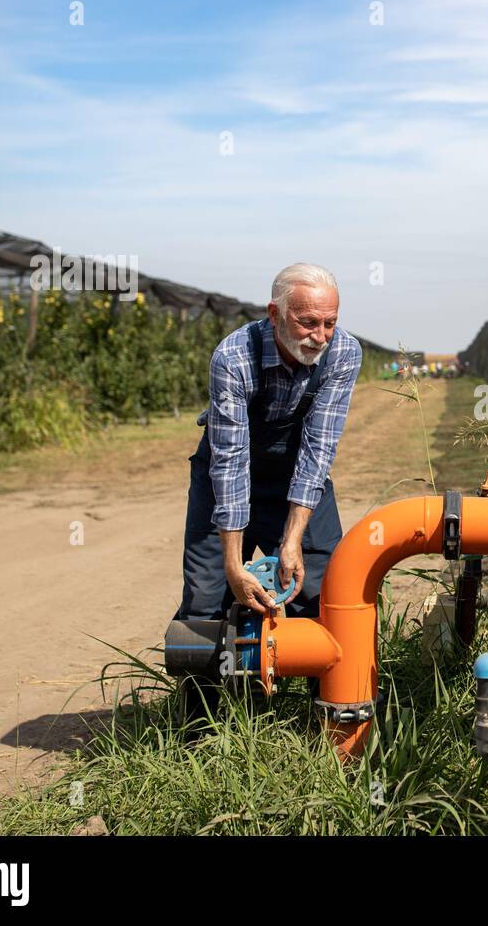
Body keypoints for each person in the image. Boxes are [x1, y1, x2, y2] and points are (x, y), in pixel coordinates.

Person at [171, 263, 362, 721]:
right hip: (226, 472)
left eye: (330, 323)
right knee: (207, 595)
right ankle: (200, 723)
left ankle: (327, 715)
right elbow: (230, 462)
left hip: (297, 474)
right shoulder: (234, 356)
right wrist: (234, 564)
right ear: (274, 313)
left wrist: (293, 538)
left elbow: (318, 449)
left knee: (321, 589)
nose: (320, 335)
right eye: (308, 322)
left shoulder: (344, 354)